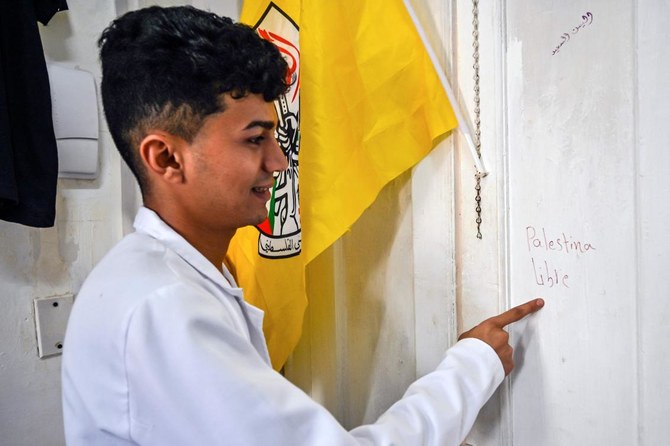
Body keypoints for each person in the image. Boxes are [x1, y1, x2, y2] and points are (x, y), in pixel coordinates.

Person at [61, 6, 544, 445]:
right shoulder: (162, 307)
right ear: (166, 157)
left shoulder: (168, 277)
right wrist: (472, 367)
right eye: (254, 139)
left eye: (276, 135)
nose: (278, 161)